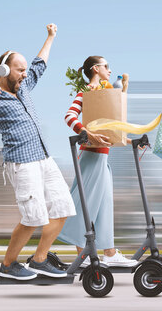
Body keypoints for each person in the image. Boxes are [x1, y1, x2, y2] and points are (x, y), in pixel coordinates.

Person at [0, 24, 76, 279]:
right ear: (4, 70)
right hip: (22, 163)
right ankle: (9, 264)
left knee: (64, 208)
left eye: (23, 70)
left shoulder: (23, 86)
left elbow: (39, 64)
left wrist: (50, 37)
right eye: (19, 70)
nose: (24, 74)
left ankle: (40, 259)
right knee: (33, 218)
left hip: (45, 158)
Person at [57, 56, 137, 267]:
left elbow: (110, 128)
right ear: (95, 69)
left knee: (104, 206)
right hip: (91, 156)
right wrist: (86, 132)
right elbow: (69, 116)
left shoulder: (104, 93)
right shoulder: (86, 92)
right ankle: (82, 256)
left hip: (102, 156)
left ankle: (109, 254)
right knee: (86, 205)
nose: (109, 70)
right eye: (106, 66)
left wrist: (129, 140)